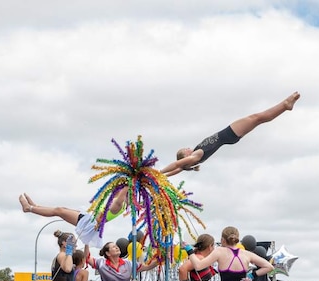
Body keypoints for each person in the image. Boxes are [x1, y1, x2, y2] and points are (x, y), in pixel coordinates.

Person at [159, 92, 301, 176]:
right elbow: (178, 164)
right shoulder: (195, 157)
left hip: (230, 136)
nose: (188, 148)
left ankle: (285, 105)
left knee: (259, 119)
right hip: (228, 134)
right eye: (185, 150)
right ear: (186, 157)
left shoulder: (194, 157)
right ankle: (285, 105)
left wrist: (165, 176)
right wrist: (159, 172)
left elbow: (179, 168)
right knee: (257, 117)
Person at [18, 189, 128, 249]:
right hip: (88, 216)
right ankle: (35, 207)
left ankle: (29, 208)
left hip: (89, 221)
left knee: (59, 210)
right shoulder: (118, 201)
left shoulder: (120, 205)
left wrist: (130, 182)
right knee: (61, 209)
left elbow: (119, 199)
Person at [85, 240, 159, 281]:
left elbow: (148, 266)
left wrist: (162, 258)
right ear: (108, 253)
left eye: (116, 246)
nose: (117, 248)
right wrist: (86, 241)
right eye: (113, 247)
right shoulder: (101, 263)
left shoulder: (129, 264)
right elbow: (87, 258)